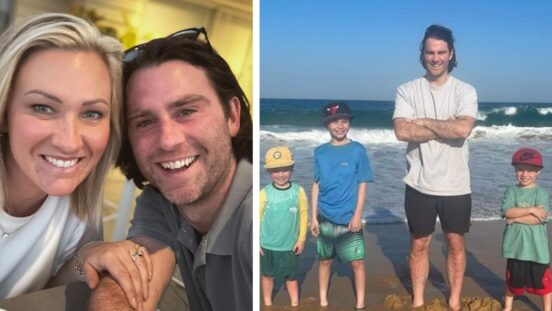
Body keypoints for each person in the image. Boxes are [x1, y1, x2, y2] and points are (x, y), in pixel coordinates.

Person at [87, 28, 253, 311]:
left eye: (186, 111)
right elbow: (129, 283)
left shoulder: (255, 220)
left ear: (232, 116)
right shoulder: (162, 203)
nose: (168, 140)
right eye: (144, 122)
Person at [0, 13, 151, 303]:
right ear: (5, 111)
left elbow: (47, 291)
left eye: (92, 113)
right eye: (43, 108)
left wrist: (87, 258)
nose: (69, 141)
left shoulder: (79, 208)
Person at [392, 24, 478, 310]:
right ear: (423, 54)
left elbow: (463, 129)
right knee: (419, 244)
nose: (436, 57)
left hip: (456, 184)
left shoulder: (465, 91)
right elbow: (403, 132)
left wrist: (424, 121)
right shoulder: (407, 90)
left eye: (441, 52)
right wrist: (446, 125)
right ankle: (418, 300)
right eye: (430, 52)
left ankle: (453, 301)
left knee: (455, 243)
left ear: (451, 54)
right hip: (418, 182)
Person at [310, 102, 373, 309]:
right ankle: (323, 301)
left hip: (348, 218)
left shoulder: (357, 150)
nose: (339, 126)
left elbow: (362, 183)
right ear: (326, 125)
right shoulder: (320, 152)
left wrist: (357, 215)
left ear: (349, 123)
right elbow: (316, 185)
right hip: (325, 217)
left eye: (344, 121)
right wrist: (313, 217)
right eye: (334, 122)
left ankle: (360, 303)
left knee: (356, 263)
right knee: (325, 261)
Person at [501, 148, 551, 311]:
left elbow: (540, 219)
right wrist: (531, 210)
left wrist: (515, 219)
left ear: (538, 173)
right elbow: (508, 211)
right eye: (520, 169)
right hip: (515, 248)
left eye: (530, 170)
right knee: (512, 282)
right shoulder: (511, 191)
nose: (525, 174)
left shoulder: (541, 193)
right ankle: (507, 307)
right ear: (515, 170)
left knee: (543, 283)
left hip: (537, 249)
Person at [260, 146, 308, 307]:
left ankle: (295, 303)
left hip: (290, 246)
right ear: (269, 172)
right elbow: (257, 218)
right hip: (267, 245)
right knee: (267, 276)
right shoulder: (264, 193)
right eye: (275, 170)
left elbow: (303, 216)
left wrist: (301, 239)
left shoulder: (298, 192)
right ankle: (267, 302)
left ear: (292, 169)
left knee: (291, 277)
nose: (280, 174)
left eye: (285, 170)